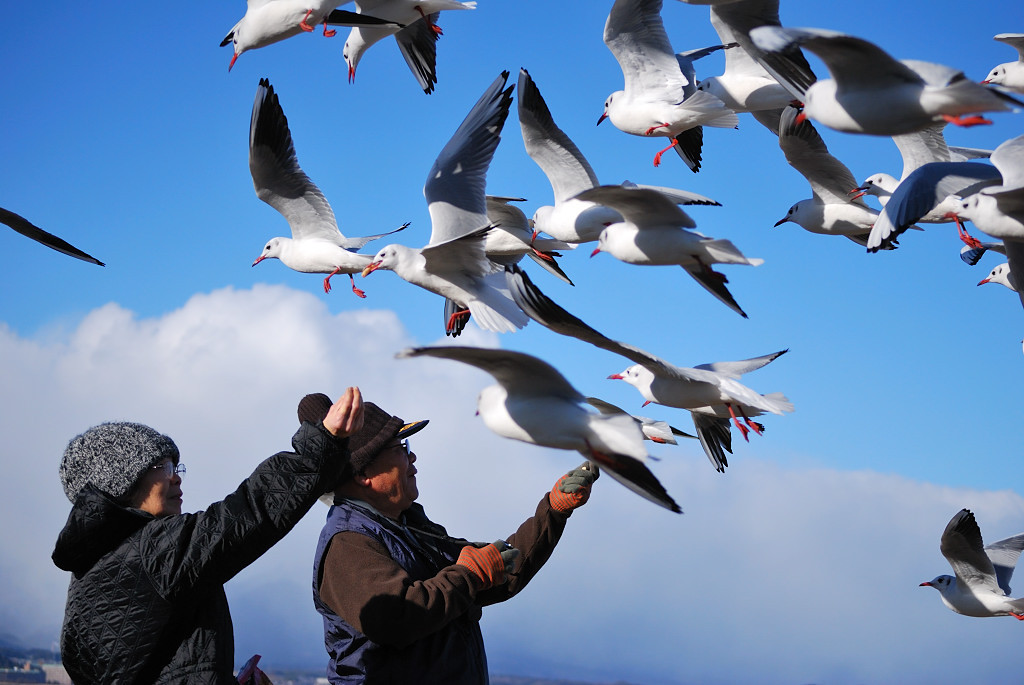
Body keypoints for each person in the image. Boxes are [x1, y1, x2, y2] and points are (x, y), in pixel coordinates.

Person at [51, 387, 366, 685]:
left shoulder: (84, 579)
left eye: (177, 465)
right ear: (122, 482)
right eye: (162, 465)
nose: (176, 477)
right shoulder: (154, 550)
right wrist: (321, 445)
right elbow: (251, 512)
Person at [297, 393, 598, 684]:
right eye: (400, 446)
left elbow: (500, 570)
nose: (411, 455)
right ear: (364, 473)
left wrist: (554, 511)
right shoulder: (348, 542)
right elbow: (395, 618)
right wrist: (468, 575)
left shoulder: (406, 528)